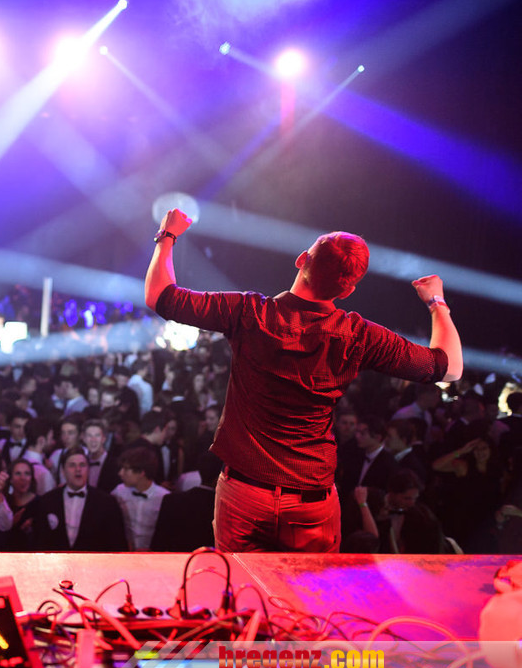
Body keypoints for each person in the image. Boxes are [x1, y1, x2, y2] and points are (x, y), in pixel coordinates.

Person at [145, 209, 462, 552]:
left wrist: (167, 236)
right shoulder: (359, 336)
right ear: (348, 289)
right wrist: (436, 303)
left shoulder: (249, 313)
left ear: (301, 260)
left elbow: (161, 297)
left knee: (241, 584)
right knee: (310, 588)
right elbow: (448, 369)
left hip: (245, 494)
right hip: (310, 500)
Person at [33, 448, 128, 552]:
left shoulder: (107, 502)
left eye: (82, 465)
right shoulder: (47, 501)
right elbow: (39, 542)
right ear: (63, 471)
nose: (78, 469)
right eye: (72, 465)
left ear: (88, 469)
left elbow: (117, 544)